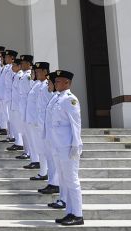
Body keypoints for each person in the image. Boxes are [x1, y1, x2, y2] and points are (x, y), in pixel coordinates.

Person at [48, 70, 83, 226]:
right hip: (57, 145)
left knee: (72, 181)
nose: (55, 83)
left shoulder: (70, 100)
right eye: (55, 81)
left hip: (67, 146)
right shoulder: (57, 98)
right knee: (63, 180)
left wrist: (76, 145)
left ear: (67, 83)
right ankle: (69, 212)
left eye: (58, 81)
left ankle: (78, 214)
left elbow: (76, 124)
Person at [10, 55, 33, 157]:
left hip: (26, 107)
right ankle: (26, 151)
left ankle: (29, 153)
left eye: (23, 63)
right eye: (21, 63)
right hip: (21, 106)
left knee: (27, 132)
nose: (22, 65)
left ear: (29, 64)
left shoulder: (28, 76)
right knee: (23, 131)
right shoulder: (23, 75)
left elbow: (29, 93)